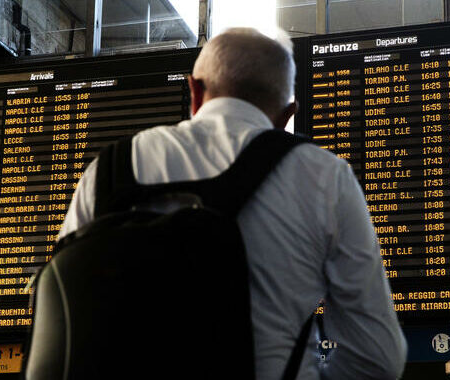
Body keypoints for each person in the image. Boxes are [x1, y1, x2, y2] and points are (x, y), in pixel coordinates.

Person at [57, 28, 407, 380]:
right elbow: (377, 357)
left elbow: (58, 313)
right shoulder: (326, 176)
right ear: (288, 115)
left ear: (194, 91)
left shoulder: (109, 168)